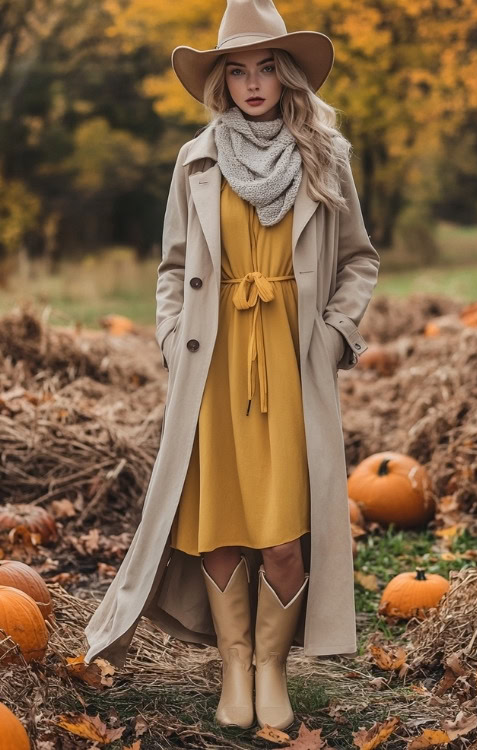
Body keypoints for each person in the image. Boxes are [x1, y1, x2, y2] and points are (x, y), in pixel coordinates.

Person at [83, 0, 380, 734]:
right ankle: (235, 666)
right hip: (213, 366)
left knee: (283, 537)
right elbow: (173, 266)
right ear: (222, 81)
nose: (253, 84)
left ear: (286, 74)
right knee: (219, 528)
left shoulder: (326, 154)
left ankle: (273, 667)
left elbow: (359, 260)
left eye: (265, 68)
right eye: (238, 71)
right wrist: (172, 338)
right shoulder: (197, 160)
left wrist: (335, 335)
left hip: (289, 362)